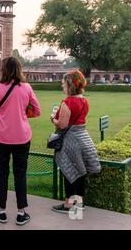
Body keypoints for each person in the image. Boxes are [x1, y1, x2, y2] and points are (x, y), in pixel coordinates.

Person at [0, 57, 41, 226]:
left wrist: (2, 116)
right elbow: (37, 111)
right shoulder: (26, 88)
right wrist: (22, 115)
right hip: (22, 137)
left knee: (2, 174)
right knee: (20, 174)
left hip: (1, 137)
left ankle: (1, 211)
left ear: (4, 70)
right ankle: (21, 212)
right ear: (19, 69)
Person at [50, 70, 101, 213]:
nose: (62, 86)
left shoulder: (68, 102)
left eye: (63, 83)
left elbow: (62, 125)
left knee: (69, 171)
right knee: (80, 171)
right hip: (83, 137)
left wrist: (53, 118)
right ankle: (79, 202)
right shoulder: (84, 100)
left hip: (70, 140)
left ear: (69, 84)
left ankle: (69, 204)